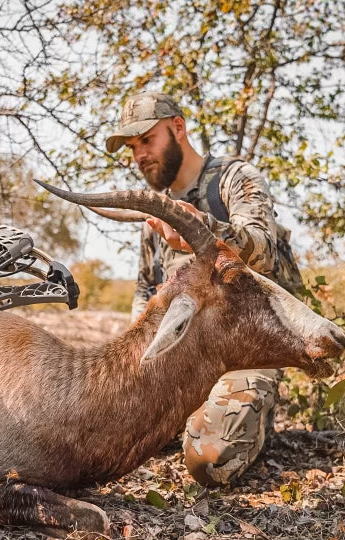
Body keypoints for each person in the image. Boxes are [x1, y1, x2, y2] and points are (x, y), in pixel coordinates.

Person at [105, 91, 287, 487]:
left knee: (209, 457)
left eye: (147, 140)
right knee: (96, 425)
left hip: (246, 347)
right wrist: (136, 364)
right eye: (132, 147)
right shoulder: (155, 213)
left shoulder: (234, 178)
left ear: (178, 128)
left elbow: (265, 251)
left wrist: (201, 230)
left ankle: (249, 408)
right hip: (184, 358)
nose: (139, 155)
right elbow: (145, 288)